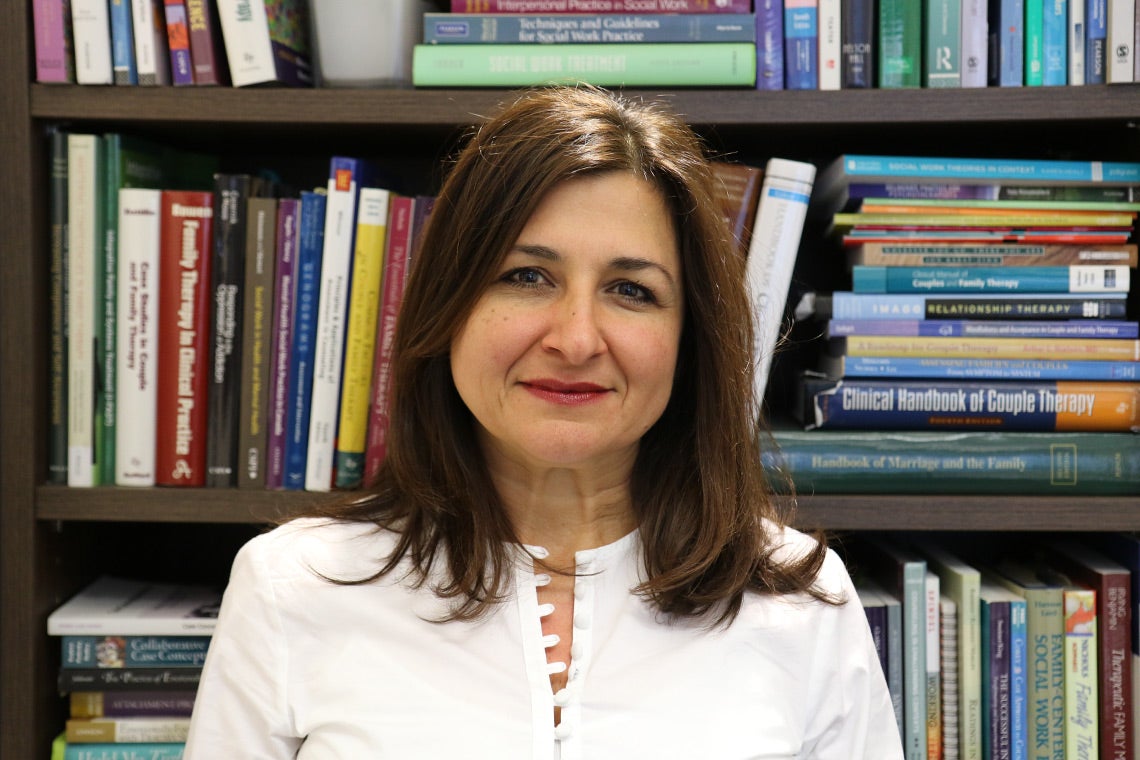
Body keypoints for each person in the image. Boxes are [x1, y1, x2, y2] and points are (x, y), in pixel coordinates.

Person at [184, 84, 903, 759]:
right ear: (449, 307)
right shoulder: (290, 588)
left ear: (690, 342)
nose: (576, 339)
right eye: (526, 276)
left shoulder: (806, 610)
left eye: (631, 290)